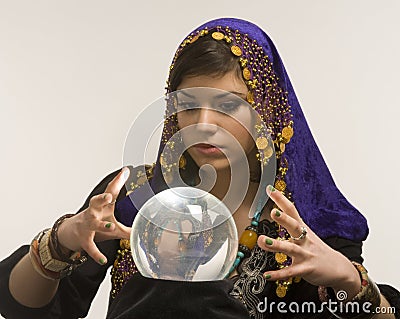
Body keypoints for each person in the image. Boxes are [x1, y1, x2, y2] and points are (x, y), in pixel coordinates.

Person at [0, 17, 399, 319]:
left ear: (266, 109)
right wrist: (63, 238)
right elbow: (24, 308)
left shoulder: (308, 216)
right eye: (188, 104)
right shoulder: (133, 197)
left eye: (229, 106)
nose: (204, 123)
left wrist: (352, 281)